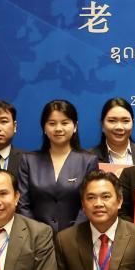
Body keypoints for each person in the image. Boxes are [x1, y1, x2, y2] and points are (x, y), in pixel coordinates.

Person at [17, 99, 99, 232]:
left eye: (65, 123)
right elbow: (22, 205)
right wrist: (37, 235)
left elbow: (89, 203)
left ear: (75, 126)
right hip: (36, 237)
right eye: (52, 123)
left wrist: (71, 236)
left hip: (77, 236)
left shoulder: (88, 161)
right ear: (44, 127)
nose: (58, 129)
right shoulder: (29, 161)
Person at [88, 97, 135, 167]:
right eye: (112, 121)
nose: (119, 127)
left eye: (125, 121)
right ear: (102, 124)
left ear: (132, 124)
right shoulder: (88, 158)